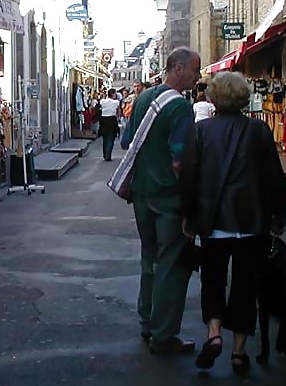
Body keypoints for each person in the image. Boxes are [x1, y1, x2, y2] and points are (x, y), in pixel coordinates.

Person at [179, 71, 286, 374]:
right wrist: (280, 214)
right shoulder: (259, 130)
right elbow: (274, 177)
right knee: (245, 287)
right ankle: (239, 352)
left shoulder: (201, 131)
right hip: (251, 221)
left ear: (213, 97)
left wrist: (188, 216)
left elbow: (189, 178)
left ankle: (214, 334)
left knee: (213, 280)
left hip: (214, 221)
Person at [125, 47, 201, 354]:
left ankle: (147, 321)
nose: (198, 77)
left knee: (149, 258)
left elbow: (126, 140)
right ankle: (164, 334)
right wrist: (190, 203)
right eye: (195, 71)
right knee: (172, 264)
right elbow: (179, 161)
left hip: (142, 192)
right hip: (168, 197)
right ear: (179, 69)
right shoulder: (180, 107)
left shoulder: (143, 98)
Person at [99, 88, 121, 161]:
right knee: (111, 138)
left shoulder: (102, 101)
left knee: (104, 138)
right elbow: (119, 112)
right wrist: (118, 119)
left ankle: (105, 154)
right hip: (112, 120)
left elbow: (100, 108)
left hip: (103, 120)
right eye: (115, 93)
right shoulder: (116, 102)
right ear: (112, 94)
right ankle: (108, 155)